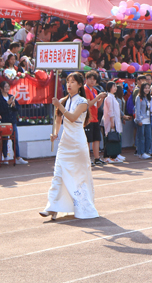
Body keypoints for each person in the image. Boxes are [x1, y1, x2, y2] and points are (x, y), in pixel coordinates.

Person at [41, 72, 102, 220]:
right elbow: (58, 120)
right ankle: (52, 207)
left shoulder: (83, 102)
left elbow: (73, 117)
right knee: (58, 174)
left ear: (80, 85)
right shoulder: (63, 100)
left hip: (78, 143)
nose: (69, 84)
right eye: (68, 81)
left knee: (78, 176)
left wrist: (59, 106)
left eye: (73, 82)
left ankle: (81, 206)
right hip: (65, 142)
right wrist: (55, 133)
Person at [0, 81, 28, 165]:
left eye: (8, 86)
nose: (7, 88)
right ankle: (5, 156)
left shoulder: (11, 97)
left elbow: (17, 108)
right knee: (4, 140)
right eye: (5, 87)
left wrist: (13, 105)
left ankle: (17, 157)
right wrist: (7, 104)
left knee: (15, 139)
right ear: (1, 88)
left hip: (12, 121)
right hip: (4, 122)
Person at [83, 71, 105, 166]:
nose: (92, 81)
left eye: (94, 79)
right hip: (88, 118)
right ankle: (87, 159)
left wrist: (101, 98)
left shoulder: (94, 90)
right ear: (86, 79)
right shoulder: (85, 89)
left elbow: (97, 105)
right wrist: (98, 97)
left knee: (97, 139)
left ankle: (97, 158)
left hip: (95, 118)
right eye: (90, 79)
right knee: (88, 140)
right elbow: (88, 104)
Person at [101, 81, 124, 163]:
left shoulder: (113, 97)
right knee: (109, 138)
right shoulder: (109, 98)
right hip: (111, 121)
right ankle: (106, 156)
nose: (115, 88)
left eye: (116, 87)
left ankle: (113, 156)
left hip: (115, 121)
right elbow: (111, 111)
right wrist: (112, 122)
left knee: (114, 139)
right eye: (114, 86)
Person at [134, 83, 152, 159]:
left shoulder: (148, 97)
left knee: (148, 137)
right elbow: (137, 110)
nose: (147, 89)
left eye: (148, 88)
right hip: (141, 120)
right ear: (142, 89)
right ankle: (141, 152)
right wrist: (139, 120)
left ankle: (146, 152)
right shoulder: (139, 97)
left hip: (148, 120)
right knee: (141, 138)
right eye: (145, 88)